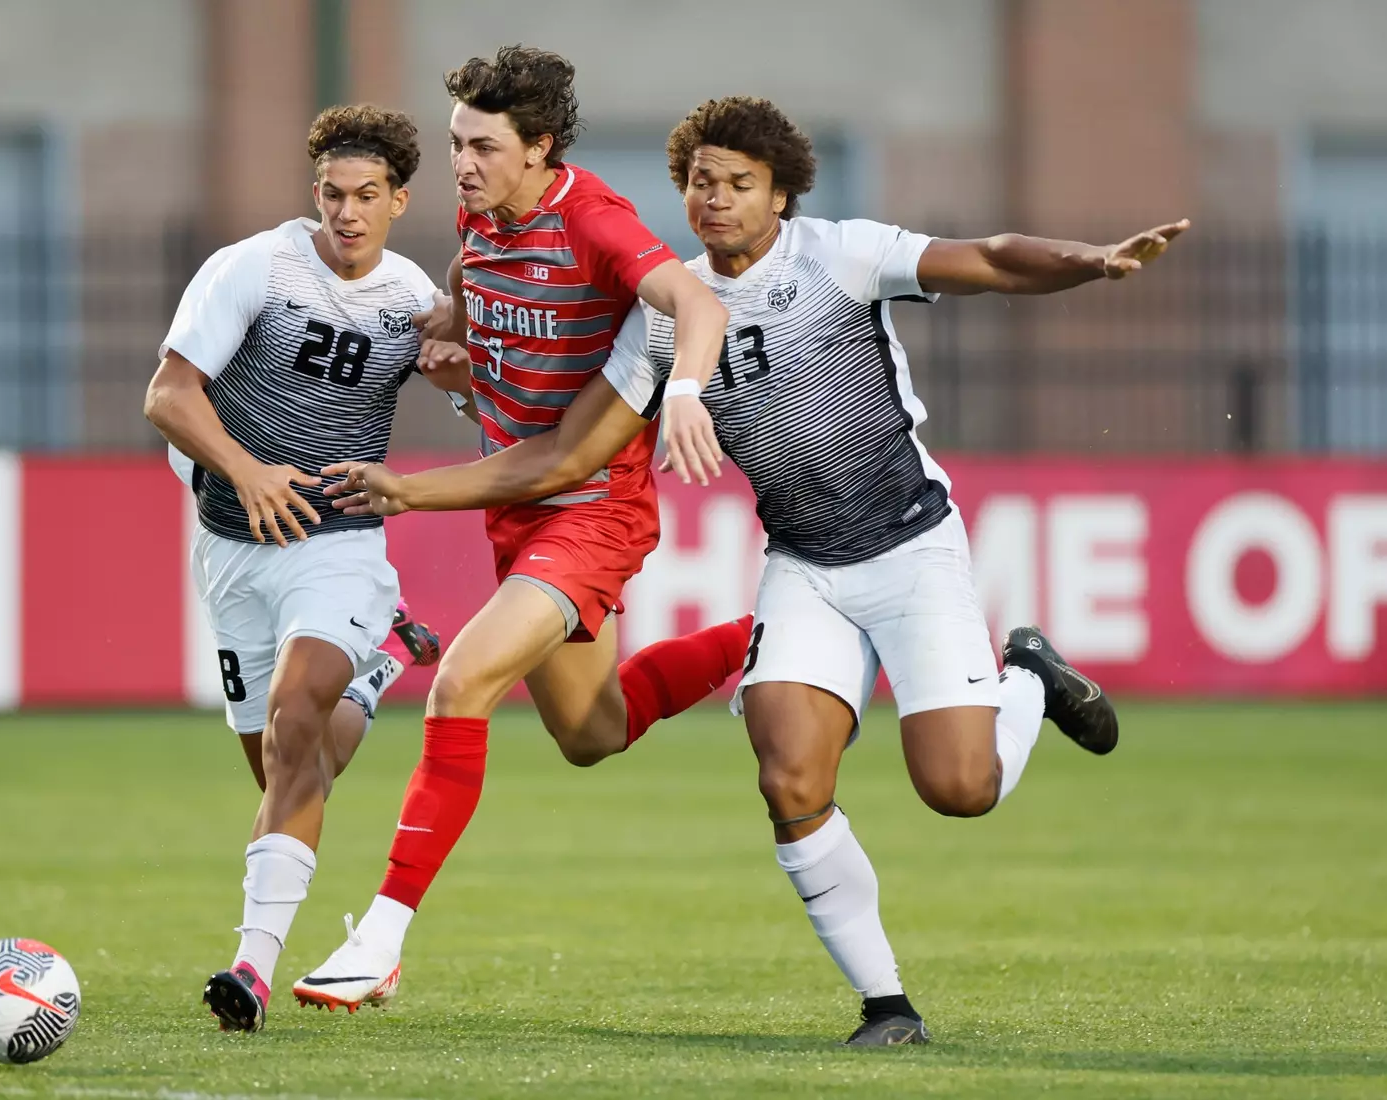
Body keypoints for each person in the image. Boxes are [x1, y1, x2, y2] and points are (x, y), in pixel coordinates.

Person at [320, 96, 1188, 1044]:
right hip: (804, 566)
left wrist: (1091, 262)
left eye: (740, 184)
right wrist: (451, 402)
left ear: (782, 195)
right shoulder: (659, 320)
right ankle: (888, 1005)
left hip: (910, 546)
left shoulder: (840, 254)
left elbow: (982, 259)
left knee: (958, 788)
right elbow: (569, 452)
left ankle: (1027, 676)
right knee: (788, 781)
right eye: (701, 182)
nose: (717, 200)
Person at [290, 47, 752, 1013]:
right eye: (457, 141)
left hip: (590, 513)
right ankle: (773, 640)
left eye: (485, 146)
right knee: (593, 731)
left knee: (459, 683)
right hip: (523, 511)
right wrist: (456, 330)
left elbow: (693, 304)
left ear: (540, 148)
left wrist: (690, 393)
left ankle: (378, 940)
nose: (461, 163)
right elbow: (473, 276)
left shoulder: (595, 222)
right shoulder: (481, 209)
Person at [143, 104, 454, 1033]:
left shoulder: (410, 298)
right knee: (294, 764)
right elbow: (168, 394)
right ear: (312, 192)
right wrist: (247, 469)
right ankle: (385, 662)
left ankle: (251, 967)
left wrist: (460, 365)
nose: (347, 213)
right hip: (232, 545)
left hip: (340, 545)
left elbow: (482, 383)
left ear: (399, 199)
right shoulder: (254, 268)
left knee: (293, 724)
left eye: (368, 196)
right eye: (332, 193)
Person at [167, 446, 442, 792]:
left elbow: (458, 391)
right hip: (223, 538)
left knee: (293, 771)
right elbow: (165, 401)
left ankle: (370, 667)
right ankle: (368, 681)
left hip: (316, 522)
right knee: (280, 777)